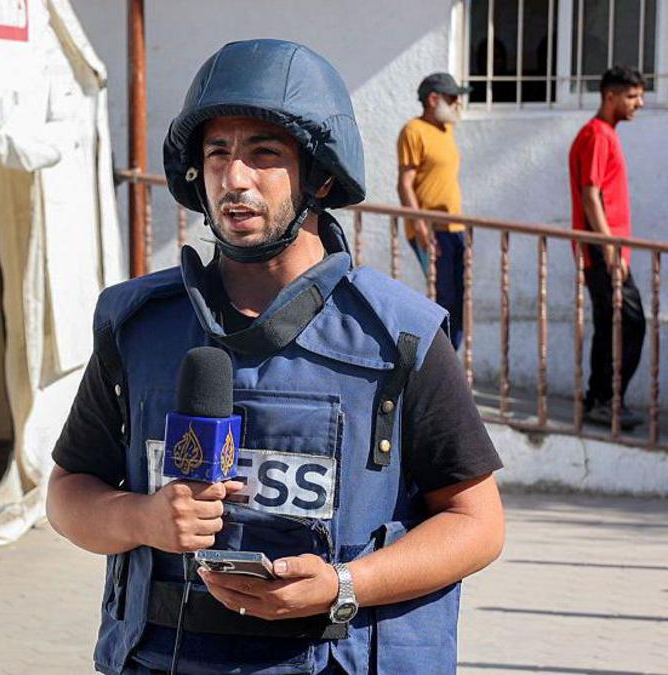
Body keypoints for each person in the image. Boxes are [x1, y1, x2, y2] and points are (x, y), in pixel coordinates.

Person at [47, 40, 505, 675]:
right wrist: (143, 518)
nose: (234, 178)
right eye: (217, 153)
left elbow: (478, 523)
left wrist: (344, 585)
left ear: (320, 176)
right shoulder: (138, 328)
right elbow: (67, 494)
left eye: (264, 154)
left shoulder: (400, 336)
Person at [569, 65, 646, 430]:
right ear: (610, 96)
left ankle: (599, 400)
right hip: (602, 250)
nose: (639, 103)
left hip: (604, 249)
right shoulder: (597, 134)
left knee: (611, 324)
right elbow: (590, 195)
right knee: (630, 323)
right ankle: (604, 399)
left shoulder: (603, 133)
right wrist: (611, 249)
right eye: (632, 96)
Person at [397, 72, 471, 350]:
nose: (456, 104)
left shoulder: (446, 130)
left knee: (460, 300)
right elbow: (405, 184)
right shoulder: (413, 131)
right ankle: (439, 362)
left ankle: (452, 358)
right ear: (433, 99)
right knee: (444, 299)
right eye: (452, 98)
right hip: (430, 229)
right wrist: (420, 227)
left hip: (455, 228)